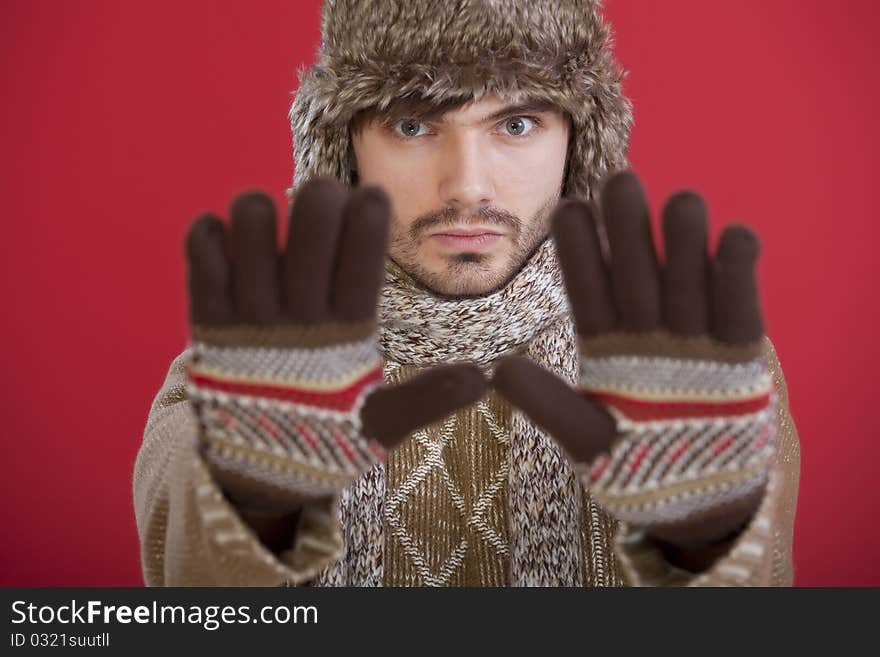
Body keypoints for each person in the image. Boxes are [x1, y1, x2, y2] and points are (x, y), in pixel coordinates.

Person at [134, 0, 800, 586]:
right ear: (344, 146)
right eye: (413, 126)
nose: (467, 186)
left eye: (515, 124)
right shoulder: (241, 378)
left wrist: (708, 547)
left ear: (576, 142)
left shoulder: (703, 367)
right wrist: (255, 513)